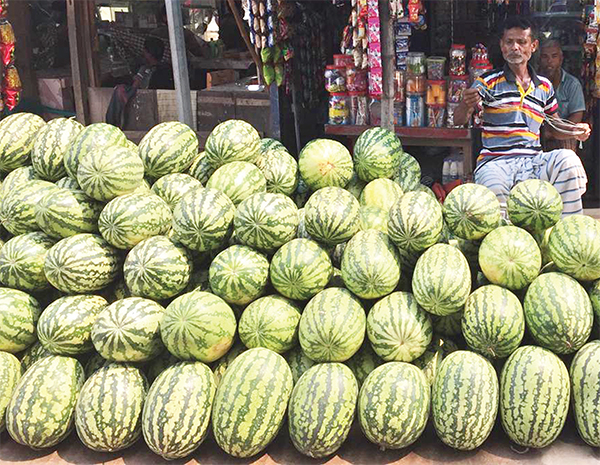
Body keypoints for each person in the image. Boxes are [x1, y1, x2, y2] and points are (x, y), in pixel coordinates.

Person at [455, 17, 591, 215]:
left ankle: (568, 227)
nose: (515, 48)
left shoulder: (544, 86)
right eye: (509, 42)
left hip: (533, 161)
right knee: (492, 191)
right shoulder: (487, 82)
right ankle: (506, 240)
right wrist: (466, 105)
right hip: (495, 163)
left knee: (568, 160)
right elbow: (458, 120)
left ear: (533, 46)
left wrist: (575, 131)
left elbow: (554, 127)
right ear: (502, 46)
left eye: (522, 42)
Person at [105, 37, 170, 127]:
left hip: (145, 108)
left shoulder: (145, 70)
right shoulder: (168, 70)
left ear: (148, 54)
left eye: (144, 51)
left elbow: (135, 86)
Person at [539, 39, 586, 151]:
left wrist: (554, 132)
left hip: (563, 135)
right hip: (539, 135)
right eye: (545, 57)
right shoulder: (532, 83)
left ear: (561, 59)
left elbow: (577, 116)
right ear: (539, 59)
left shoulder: (572, 84)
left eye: (554, 56)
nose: (549, 61)